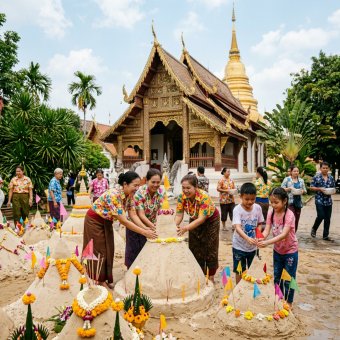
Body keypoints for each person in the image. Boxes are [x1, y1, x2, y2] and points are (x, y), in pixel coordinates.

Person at [83, 171, 158, 288]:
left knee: (109, 249)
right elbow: (124, 221)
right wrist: (144, 232)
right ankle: (98, 281)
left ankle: (104, 279)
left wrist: (148, 228)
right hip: (94, 221)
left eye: (139, 185)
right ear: (125, 184)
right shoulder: (114, 195)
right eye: (135, 185)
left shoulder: (130, 196)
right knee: (99, 250)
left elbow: (133, 214)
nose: (137, 188)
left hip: (106, 221)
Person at [258, 187, 298, 308]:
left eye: (276, 202)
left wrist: (267, 242)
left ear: (285, 201)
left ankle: (289, 302)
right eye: (271, 202)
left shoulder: (289, 215)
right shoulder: (271, 213)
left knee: (289, 278)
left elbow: (284, 234)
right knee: (277, 276)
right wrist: (261, 238)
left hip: (290, 251)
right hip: (278, 251)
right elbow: (267, 230)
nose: (273, 205)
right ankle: (279, 298)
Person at [176, 174, 220, 282]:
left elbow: (201, 219)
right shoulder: (181, 197)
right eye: (183, 188)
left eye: (188, 188)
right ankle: (199, 274)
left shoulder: (203, 196)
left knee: (210, 247)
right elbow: (179, 215)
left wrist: (185, 228)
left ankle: (211, 277)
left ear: (196, 187)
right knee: (195, 247)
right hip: (194, 220)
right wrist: (175, 226)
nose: (185, 191)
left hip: (210, 220)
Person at [126, 169, 165, 268]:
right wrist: (152, 227)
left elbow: (161, 211)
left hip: (151, 225)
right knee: (134, 250)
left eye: (158, 182)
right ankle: (132, 274)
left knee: (149, 249)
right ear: (147, 181)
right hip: (135, 224)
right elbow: (140, 214)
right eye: (153, 182)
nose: (155, 185)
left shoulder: (161, 192)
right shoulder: (140, 192)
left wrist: (159, 225)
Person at [232, 183, 264, 283]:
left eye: (253, 199)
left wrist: (258, 235)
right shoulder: (237, 210)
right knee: (239, 270)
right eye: (247, 199)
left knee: (252, 270)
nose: (250, 202)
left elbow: (260, 223)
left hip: (253, 247)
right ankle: (238, 289)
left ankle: (250, 289)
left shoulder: (258, 208)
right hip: (239, 246)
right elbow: (237, 227)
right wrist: (247, 238)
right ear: (241, 196)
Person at [310, 162, 335, 241]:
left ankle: (325, 235)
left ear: (328, 169)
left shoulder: (331, 177)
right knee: (321, 215)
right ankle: (314, 228)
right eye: (323, 168)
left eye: (326, 168)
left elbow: (333, 188)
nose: (325, 169)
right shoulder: (316, 177)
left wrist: (333, 191)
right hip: (319, 199)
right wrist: (319, 189)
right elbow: (311, 187)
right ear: (320, 169)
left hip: (328, 201)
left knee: (327, 218)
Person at [281, 165, 307, 231]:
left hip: (298, 202)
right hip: (289, 202)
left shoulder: (301, 180)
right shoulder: (287, 179)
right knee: (291, 218)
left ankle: (293, 234)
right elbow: (281, 189)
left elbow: (305, 190)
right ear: (291, 172)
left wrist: (302, 191)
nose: (296, 172)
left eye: (297, 171)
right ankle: (286, 232)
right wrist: (289, 188)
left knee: (296, 219)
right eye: (294, 171)